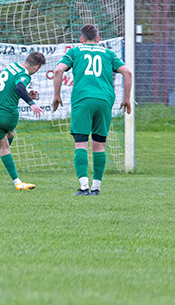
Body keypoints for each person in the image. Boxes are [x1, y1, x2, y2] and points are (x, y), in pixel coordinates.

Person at [52, 24, 132, 196]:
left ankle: (83, 187)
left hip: (83, 99)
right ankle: (96, 187)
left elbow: (58, 70)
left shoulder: (75, 51)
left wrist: (56, 95)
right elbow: (127, 72)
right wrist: (126, 98)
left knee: (81, 143)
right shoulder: (109, 53)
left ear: (81, 39)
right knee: (99, 144)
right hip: (104, 100)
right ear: (98, 39)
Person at [0, 52, 46, 190]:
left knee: (5, 142)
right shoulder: (25, 75)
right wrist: (31, 103)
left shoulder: (12, 66)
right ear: (36, 67)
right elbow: (19, 87)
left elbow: (11, 88)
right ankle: (17, 182)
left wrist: (27, 95)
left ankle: (7, 158)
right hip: (7, 115)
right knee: (5, 145)